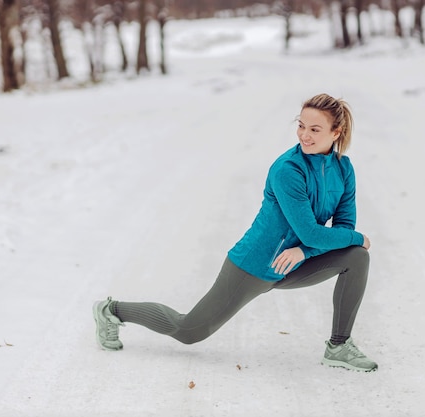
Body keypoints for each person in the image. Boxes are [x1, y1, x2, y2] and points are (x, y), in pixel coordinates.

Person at [92, 93, 377, 372]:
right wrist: (355, 238)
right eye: (301, 125)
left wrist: (306, 251)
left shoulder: (344, 169)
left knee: (355, 257)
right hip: (254, 265)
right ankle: (111, 310)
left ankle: (339, 346)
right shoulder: (288, 170)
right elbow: (314, 233)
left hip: (294, 263)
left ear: (336, 131)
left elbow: (341, 229)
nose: (304, 135)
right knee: (189, 330)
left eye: (315, 129)